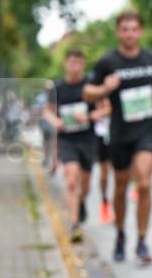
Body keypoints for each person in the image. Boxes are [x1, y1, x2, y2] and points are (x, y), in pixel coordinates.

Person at [84, 10, 152, 265]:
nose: (130, 34)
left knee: (144, 183)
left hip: (146, 130)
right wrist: (104, 88)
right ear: (118, 32)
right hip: (120, 132)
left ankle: (142, 240)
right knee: (120, 187)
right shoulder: (108, 62)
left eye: (134, 29)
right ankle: (120, 234)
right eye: (125, 29)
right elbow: (87, 93)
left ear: (140, 31)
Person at [43, 49, 110, 243]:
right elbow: (47, 111)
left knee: (85, 185)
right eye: (72, 62)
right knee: (71, 180)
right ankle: (74, 225)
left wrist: (88, 117)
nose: (75, 66)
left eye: (79, 63)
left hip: (88, 139)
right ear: (65, 64)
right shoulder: (57, 87)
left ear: (83, 65)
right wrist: (55, 121)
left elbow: (107, 109)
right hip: (67, 139)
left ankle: (81, 202)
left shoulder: (90, 87)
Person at [93, 101, 115, 225]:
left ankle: (116, 207)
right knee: (104, 173)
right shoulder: (96, 93)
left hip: (116, 133)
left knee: (118, 173)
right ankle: (104, 201)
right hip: (101, 135)